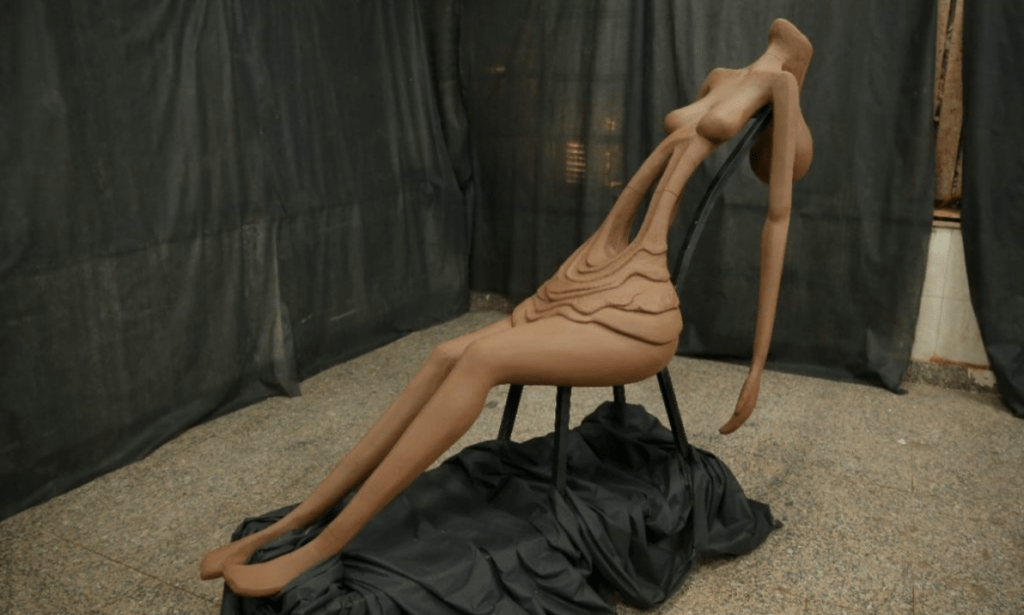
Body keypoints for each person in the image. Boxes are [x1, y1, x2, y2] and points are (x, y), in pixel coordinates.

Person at [201, 18, 814, 597]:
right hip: (590, 273)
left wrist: (756, 365)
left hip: (641, 310)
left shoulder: (780, 89)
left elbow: (779, 213)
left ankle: (325, 545)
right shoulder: (720, 78)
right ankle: (298, 522)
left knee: (481, 361)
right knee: (446, 352)